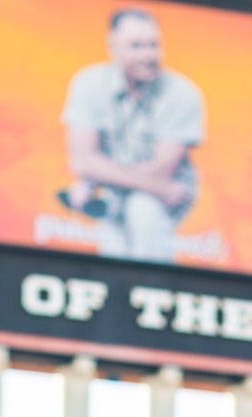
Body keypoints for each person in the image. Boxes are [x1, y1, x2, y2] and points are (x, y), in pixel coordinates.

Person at [60, 8, 204, 262]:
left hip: (159, 198)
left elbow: (161, 170)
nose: (148, 56)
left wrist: (94, 181)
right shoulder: (88, 83)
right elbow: (82, 160)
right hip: (134, 190)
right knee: (113, 249)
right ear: (113, 46)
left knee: (143, 210)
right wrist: (92, 182)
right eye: (136, 46)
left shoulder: (183, 93)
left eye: (153, 45)